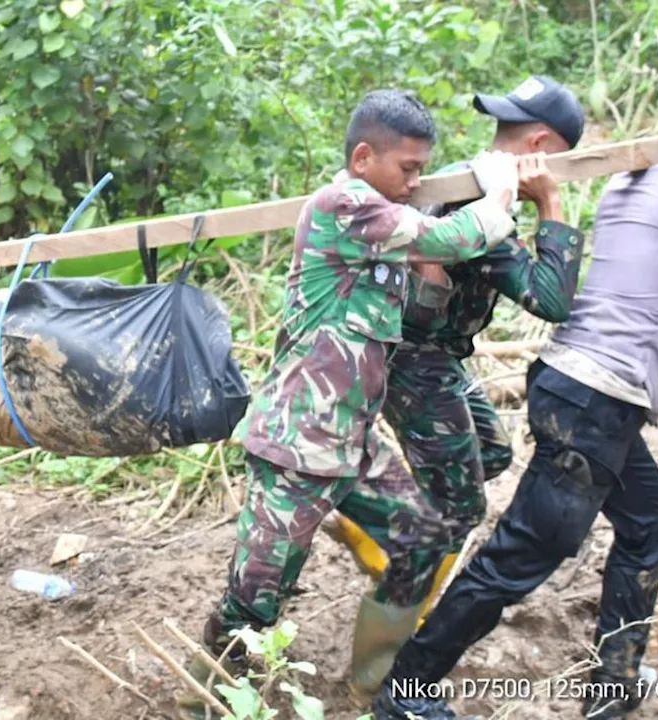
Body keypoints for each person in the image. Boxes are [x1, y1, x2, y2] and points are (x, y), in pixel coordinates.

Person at [371, 75, 658, 720]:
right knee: (520, 556)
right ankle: (405, 690)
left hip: (579, 389)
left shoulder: (630, 177)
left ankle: (614, 682)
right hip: (596, 400)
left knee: (648, 524)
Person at [176, 89, 524, 718]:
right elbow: (451, 238)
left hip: (352, 445)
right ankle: (205, 703)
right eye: (409, 169)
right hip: (296, 446)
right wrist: (500, 192)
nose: (415, 181)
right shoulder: (344, 205)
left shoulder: (379, 233)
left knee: (422, 534)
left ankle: (374, 677)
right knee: (257, 598)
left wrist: (433, 276)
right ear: (364, 157)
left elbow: (424, 300)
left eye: (422, 170)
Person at [323, 76, 587, 635]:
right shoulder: (480, 196)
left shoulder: (474, 180)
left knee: (491, 455)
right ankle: (387, 641)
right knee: (459, 513)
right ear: (540, 146)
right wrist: (553, 203)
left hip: (439, 355)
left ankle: (381, 535)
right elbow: (551, 298)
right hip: (416, 362)